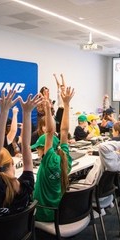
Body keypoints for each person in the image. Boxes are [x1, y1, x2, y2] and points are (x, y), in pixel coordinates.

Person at [0, 90, 42, 217]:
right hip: (21, 235)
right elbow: (26, 146)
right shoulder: (27, 184)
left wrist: (3, 111)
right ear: (12, 163)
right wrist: (27, 113)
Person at [32, 86, 74, 222]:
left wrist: (48, 110)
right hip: (59, 212)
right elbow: (64, 130)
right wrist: (66, 105)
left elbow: (50, 132)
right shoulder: (65, 159)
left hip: (42, 213)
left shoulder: (48, 159)